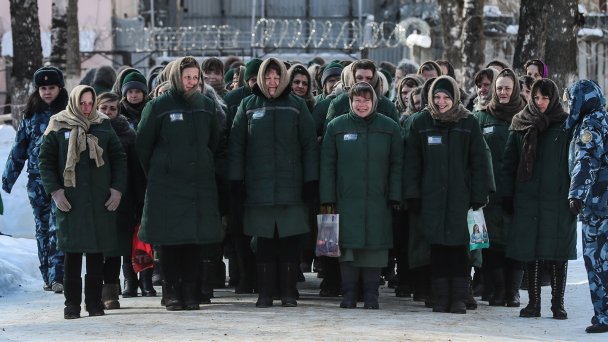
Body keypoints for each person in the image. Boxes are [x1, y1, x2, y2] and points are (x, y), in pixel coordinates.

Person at [228, 57, 319, 308]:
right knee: (265, 242)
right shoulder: (248, 105)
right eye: (267, 77)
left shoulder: (297, 106)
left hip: (292, 189)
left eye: (277, 77)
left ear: (284, 79)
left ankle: (288, 292)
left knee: (290, 242)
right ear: (259, 78)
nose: (272, 82)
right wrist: (236, 179)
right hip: (259, 189)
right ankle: (266, 292)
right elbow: (237, 145)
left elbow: (309, 145)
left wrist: (311, 179)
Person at [136, 56, 223, 311]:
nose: (192, 82)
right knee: (171, 243)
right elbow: (143, 144)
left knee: (193, 242)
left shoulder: (206, 105)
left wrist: (202, 161)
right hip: (167, 185)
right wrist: (160, 168)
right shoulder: (159, 106)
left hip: (198, 184)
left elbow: (213, 141)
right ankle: (171, 291)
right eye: (187, 77)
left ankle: (190, 291)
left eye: (196, 77)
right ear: (176, 77)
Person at [38, 85, 127, 319]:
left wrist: (117, 190)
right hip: (71, 201)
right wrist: (55, 191)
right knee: (73, 256)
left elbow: (118, 159)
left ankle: (94, 303)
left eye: (90, 103)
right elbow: (45, 162)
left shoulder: (103, 124)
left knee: (97, 256)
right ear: (75, 102)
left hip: (99, 201)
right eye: (83, 103)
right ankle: (72, 305)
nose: (87, 109)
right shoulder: (58, 125)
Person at [404, 75, 490, 314]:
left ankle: (460, 296)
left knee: (460, 248)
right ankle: (441, 296)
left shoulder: (468, 122)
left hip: (460, 198)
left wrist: (478, 194)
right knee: (438, 248)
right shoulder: (420, 122)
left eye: (446, 97)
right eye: (437, 97)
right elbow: (412, 163)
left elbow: (479, 162)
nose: (441, 102)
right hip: (430, 197)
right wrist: (412, 194)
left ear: (455, 98)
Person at [320, 82, 402, 309]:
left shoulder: (390, 127)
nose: (361, 104)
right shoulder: (336, 127)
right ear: (350, 102)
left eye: (366, 100)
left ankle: (371, 296)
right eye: (357, 100)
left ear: (374, 101)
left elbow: (397, 164)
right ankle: (348, 295)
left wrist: (395, 195)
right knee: (348, 248)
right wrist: (327, 198)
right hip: (346, 201)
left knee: (375, 249)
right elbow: (327, 166)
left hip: (379, 201)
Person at [501, 78, 576, 319]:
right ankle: (533, 303)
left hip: (558, 199)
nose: (540, 102)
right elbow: (509, 162)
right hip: (528, 197)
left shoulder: (566, 125)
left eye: (545, 97)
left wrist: (575, 194)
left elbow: (575, 162)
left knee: (557, 252)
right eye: (536, 97)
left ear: (552, 98)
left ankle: (558, 303)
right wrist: (507, 195)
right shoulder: (521, 123)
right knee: (530, 251)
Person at [2, 66, 68, 293]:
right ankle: (47, 275)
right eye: (43, 88)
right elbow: (19, 148)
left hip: (62, 181)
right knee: (42, 228)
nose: (47, 92)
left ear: (60, 88)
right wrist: (8, 178)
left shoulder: (68, 113)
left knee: (57, 227)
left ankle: (58, 274)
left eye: (51, 87)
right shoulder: (31, 116)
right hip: (37, 181)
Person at [473, 68, 527, 308]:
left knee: (516, 242)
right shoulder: (482, 117)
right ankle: (498, 289)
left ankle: (513, 291)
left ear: (515, 89)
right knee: (491, 243)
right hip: (490, 193)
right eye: (499, 88)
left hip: (518, 190)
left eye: (507, 88)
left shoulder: (526, 117)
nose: (503, 92)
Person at [563, 79, 608, 333]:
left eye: (572, 100)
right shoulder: (604, 119)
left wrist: (576, 195)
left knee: (597, 261)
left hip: (597, 206)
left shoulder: (590, 125)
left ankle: (604, 315)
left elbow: (586, 160)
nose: (570, 105)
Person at [96, 93, 148, 309]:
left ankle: (111, 292)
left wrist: (138, 201)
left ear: (119, 111)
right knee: (98, 249)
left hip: (122, 199)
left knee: (117, 247)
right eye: (104, 108)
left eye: (112, 109)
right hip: (96, 198)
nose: (108, 113)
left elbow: (136, 172)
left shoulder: (127, 134)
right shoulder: (90, 131)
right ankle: (95, 291)